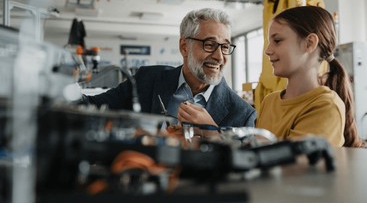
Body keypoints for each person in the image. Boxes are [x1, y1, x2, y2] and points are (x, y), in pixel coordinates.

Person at [81, 8, 256, 131]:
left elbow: (243, 170)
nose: (219, 56)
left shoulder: (242, 113)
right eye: (209, 45)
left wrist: (212, 133)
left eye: (225, 47)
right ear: (184, 46)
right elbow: (90, 107)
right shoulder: (146, 80)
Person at [256, 6, 364, 147]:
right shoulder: (269, 102)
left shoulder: (326, 106)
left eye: (277, 41)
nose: (268, 50)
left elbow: (297, 165)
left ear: (310, 43)